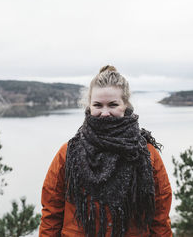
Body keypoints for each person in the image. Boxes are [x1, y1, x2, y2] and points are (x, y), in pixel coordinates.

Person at [39, 65, 172, 237]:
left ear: (125, 105)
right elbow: (51, 213)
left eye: (113, 105)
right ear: (89, 106)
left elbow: (160, 215)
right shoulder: (68, 153)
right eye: (98, 105)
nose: (105, 113)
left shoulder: (146, 153)